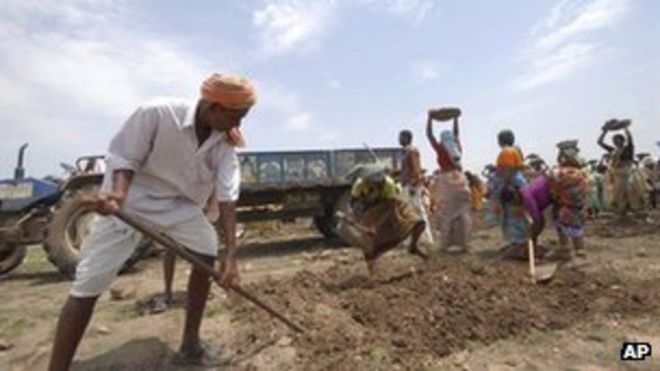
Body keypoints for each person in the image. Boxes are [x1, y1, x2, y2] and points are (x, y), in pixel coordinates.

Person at [48, 73, 256, 370]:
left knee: (206, 249)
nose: (239, 125)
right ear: (213, 107)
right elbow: (124, 158)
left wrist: (232, 256)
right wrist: (117, 197)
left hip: (179, 207)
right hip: (131, 202)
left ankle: (190, 344)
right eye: (237, 116)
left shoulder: (224, 143)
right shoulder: (157, 113)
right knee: (89, 284)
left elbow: (227, 196)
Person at [336, 166, 427, 275]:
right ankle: (373, 273)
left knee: (419, 223)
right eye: (372, 180)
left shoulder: (388, 183)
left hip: (391, 208)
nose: (376, 181)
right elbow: (353, 202)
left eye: (378, 179)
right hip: (371, 211)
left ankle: (413, 246)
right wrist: (352, 216)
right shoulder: (359, 185)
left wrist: (378, 225)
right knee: (370, 245)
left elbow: (391, 208)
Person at [426, 110, 472, 253]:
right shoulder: (456, 148)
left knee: (446, 214)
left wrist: (430, 119)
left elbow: (429, 135)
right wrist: (455, 119)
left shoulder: (440, 149)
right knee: (462, 213)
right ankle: (464, 243)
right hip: (460, 180)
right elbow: (456, 134)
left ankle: (445, 244)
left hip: (446, 182)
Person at [485, 144, 529, 260]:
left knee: (519, 228)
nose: (503, 170)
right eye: (501, 167)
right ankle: (514, 244)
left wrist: (518, 198)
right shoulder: (504, 178)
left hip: (518, 209)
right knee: (510, 227)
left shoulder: (518, 179)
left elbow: (525, 193)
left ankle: (521, 247)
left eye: (506, 167)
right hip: (509, 210)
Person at [547, 144, 590, 261]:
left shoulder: (559, 172)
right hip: (578, 205)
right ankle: (573, 250)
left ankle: (577, 253)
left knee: (566, 226)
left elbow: (551, 187)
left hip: (564, 205)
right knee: (575, 227)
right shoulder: (582, 174)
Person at [597, 124, 647, 217]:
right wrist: (605, 131)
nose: (616, 141)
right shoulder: (613, 150)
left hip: (628, 171)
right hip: (618, 173)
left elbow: (630, 138)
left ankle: (635, 209)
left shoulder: (628, 148)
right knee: (618, 193)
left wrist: (625, 128)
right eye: (615, 140)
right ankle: (622, 211)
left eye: (618, 139)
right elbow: (600, 142)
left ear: (622, 140)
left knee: (631, 189)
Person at [398, 130, 434, 247]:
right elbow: (406, 170)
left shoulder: (412, 151)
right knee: (408, 213)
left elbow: (416, 170)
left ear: (407, 138)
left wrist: (414, 185)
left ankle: (425, 238)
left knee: (418, 211)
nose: (399, 139)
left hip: (411, 186)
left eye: (401, 137)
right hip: (407, 185)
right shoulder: (406, 152)